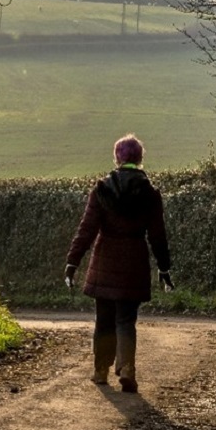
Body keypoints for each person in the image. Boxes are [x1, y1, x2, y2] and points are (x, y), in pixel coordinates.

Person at [64, 133, 173, 393]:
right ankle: (127, 369)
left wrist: (72, 261)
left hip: (105, 258)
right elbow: (158, 234)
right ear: (139, 159)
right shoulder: (150, 193)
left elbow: (87, 229)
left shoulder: (102, 188)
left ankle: (100, 371)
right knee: (126, 319)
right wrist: (164, 267)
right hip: (134, 259)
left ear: (117, 158)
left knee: (104, 319)